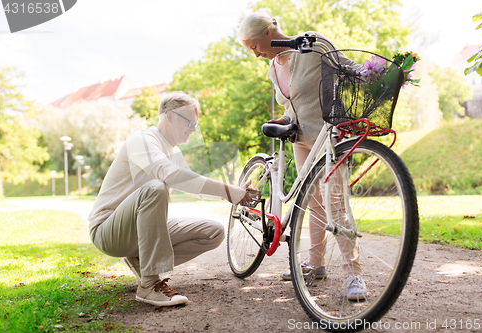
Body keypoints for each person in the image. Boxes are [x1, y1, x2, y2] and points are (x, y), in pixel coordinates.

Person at [238, 12, 367, 300]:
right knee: (313, 204)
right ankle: (316, 264)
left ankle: (354, 275)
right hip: (300, 141)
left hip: (330, 138)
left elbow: (349, 68)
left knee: (336, 206)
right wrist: (284, 120)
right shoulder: (273, 65)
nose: (255, 54)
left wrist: (378, 73)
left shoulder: (311, 44)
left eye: (254, 46)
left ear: (268, 33)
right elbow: (292, 105)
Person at [88, 91, 253, 307]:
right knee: (156, 187)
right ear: (169, 115)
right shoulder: (143, 140)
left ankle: (143, 262)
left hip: (138, 232)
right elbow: (168, 174)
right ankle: (148, 285)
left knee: (214, 232)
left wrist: (233, 194)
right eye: (190, 122)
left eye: (196, 124)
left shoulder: (173, 152)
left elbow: (196, 189)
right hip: (108, 231)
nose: (194, 129)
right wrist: (229, 191)